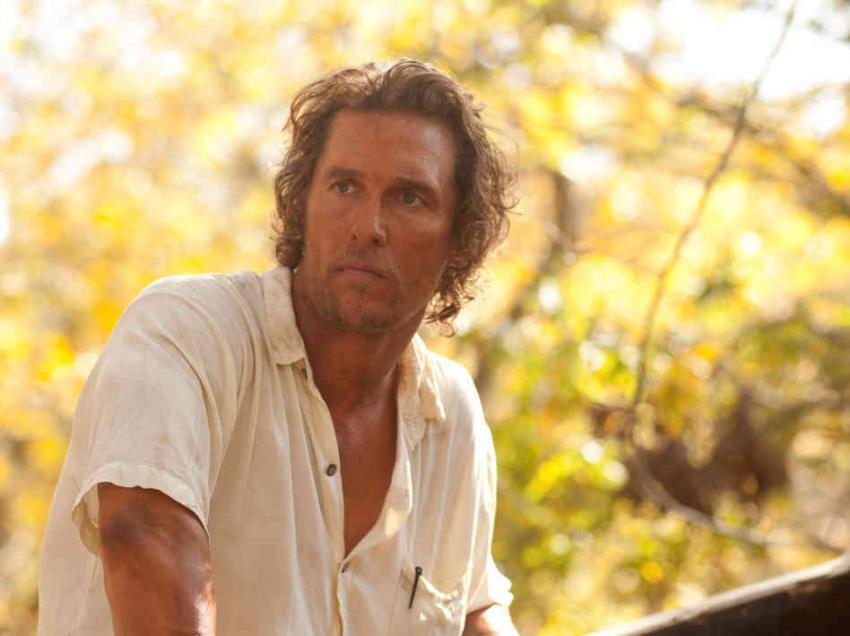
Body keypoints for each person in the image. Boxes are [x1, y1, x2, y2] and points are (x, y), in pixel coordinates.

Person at [37, 59, 518, 635]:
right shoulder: (187, 332)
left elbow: (473, 609)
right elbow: (145, 536)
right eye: (344, 187)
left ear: (458, 239)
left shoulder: (451, 416)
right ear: (302, 204)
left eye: (409, 198)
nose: (367, 226)